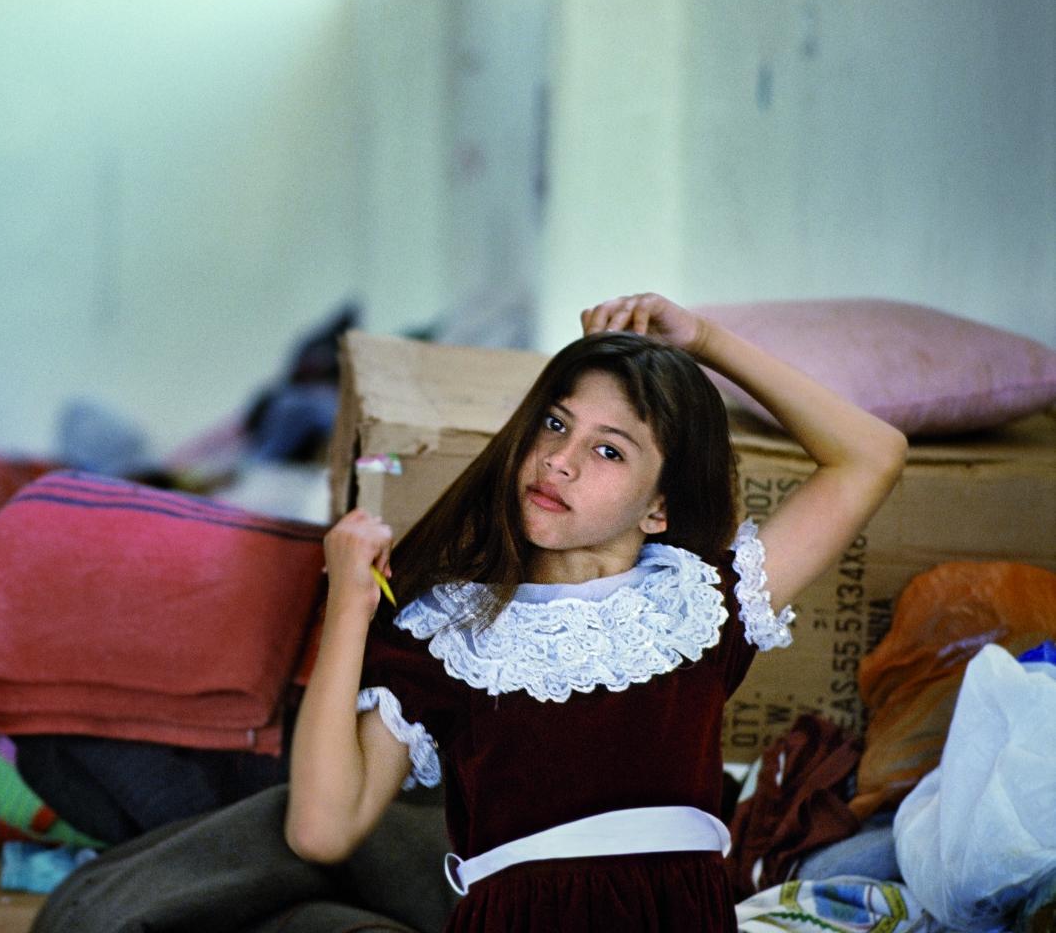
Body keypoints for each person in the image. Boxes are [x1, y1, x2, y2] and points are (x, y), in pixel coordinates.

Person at [284, 293, 907, 931]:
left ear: (658, 508)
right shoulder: (449, 632)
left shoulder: (699, 606)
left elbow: (872, 455)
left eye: (609, 451)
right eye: (555, 424)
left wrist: (704, 341)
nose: (559, 460)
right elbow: (322, 831)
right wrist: (348, 607)